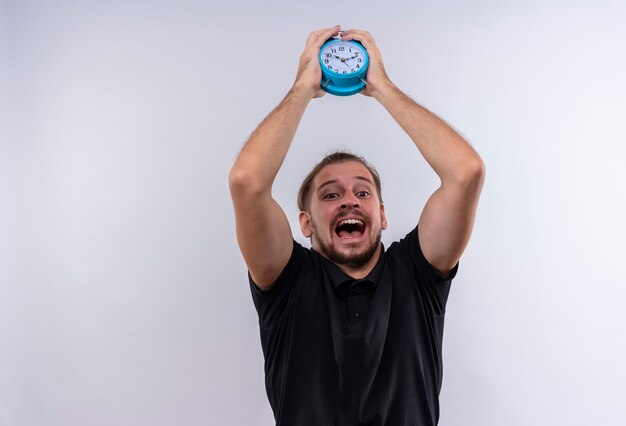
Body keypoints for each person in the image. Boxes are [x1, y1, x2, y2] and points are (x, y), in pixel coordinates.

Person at [229, 25, 485, 426]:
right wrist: (302, 89)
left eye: (362, 193)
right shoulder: (287, 282)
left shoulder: (416, 274)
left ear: (382, 214)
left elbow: (466, 172)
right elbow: (247, 182)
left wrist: (381, 86)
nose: (349, 199)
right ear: (306, 223)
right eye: (330, 195)